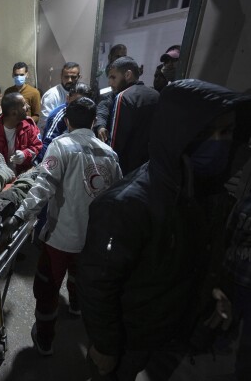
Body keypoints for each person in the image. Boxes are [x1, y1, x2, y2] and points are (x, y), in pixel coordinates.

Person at [77, 79, 251, 380]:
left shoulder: (205, 193)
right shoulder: (125, 205)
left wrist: (213, 288)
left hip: (175, 331)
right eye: (213, 133)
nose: (221, 143)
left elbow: (202, 251)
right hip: (131, 340)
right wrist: (105, 346)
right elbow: (97, 284)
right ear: (181, 133)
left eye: (229, 132)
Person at [5, 97, 122, 357]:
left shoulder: (61, 146)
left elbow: (43, 186)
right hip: (92, 239)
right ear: (93, 121)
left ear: (67, 120)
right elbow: (117, 196)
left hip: (61, 236)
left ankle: (45, 339)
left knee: (48, 287)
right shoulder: (110, 154)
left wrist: (20, 215)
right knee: (80, 275)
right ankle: (77, 307)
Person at [103, 56, 159, 175]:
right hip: (147, 166)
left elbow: (115, 140)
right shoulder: (155, 95)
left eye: (113, 77)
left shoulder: (124, 97)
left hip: (125, 166)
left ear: (128, 75)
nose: (110, 82)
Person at [0, 92, 42, 175]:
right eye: (24, 105)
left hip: (24, 177)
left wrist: (25, 154)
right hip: (1, 182)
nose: (28, 107)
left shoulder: (29, 126)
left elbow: (38, 147)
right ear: (14, 113)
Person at [223, 194, 251, 380]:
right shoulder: (245, 203)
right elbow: (229, 234)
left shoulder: (245, 203)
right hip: (237, 276)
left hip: (236, 273)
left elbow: (229, 234)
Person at [35, 82, 94, 164]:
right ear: (68, 98)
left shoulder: (90, 114)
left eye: (82, 104)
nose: (78, 108)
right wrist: (38, 164)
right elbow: (48, 143)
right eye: (75, 103)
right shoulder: (58, 116)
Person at [39, 62, 81, 131]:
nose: (69, 80)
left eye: (73, 77)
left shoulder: (81, 94)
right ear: (61, 76)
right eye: (66, 77)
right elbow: (45, 123)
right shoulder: (52, 95)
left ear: (78, 77)